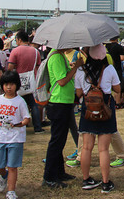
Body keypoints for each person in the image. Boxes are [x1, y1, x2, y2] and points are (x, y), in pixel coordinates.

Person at [75, 44, 120, 193]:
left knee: (86, 147)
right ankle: (106, 182)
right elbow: (118, 89)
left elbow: (79, 93)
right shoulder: (109, 69)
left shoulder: (81, 70)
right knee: (103, 149)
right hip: (105, 109)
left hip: (88, 109)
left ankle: (86, 179)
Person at [0, 71, 30, 199]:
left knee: (12, 166)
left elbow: (27, 118)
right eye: (5, 84)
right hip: (0, 138)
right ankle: (4, 176)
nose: (8, 87)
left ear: (17, 85)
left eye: (11, 84)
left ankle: (11, 191)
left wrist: (20, 124)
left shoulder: (20, 101)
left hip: (16, 139)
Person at [43, 45, 82, 189]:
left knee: (60, 140)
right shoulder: (56, 57)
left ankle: (59, 172)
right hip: (59, 102)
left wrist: (72, 66)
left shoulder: (58, 56)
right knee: (57, 141)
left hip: (64, 101)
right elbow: (62, 81)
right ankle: (49, 177)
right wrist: (76, 67)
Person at [7, 30, 43, 133]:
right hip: (31, 81)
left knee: (16, 102)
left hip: (18, 81)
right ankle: (37, 127)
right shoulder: (35, 51)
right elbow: (38, 66)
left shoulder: (15, 51)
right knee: (33, 104)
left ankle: (18, 123)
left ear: (19, 39)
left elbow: (10, 66)